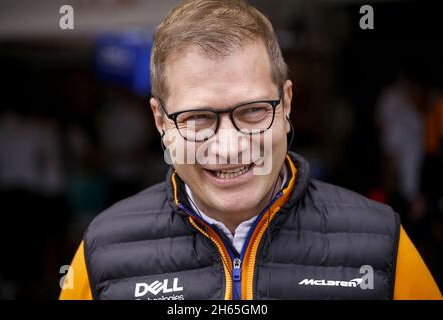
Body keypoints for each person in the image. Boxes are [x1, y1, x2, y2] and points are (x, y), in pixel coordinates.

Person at [60, 0, 441, 300]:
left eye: (254, 110)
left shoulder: (382, 243)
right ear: (161, 122)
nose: (229, 147)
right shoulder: (103, 251)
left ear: (287, 104)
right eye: (198, 118)